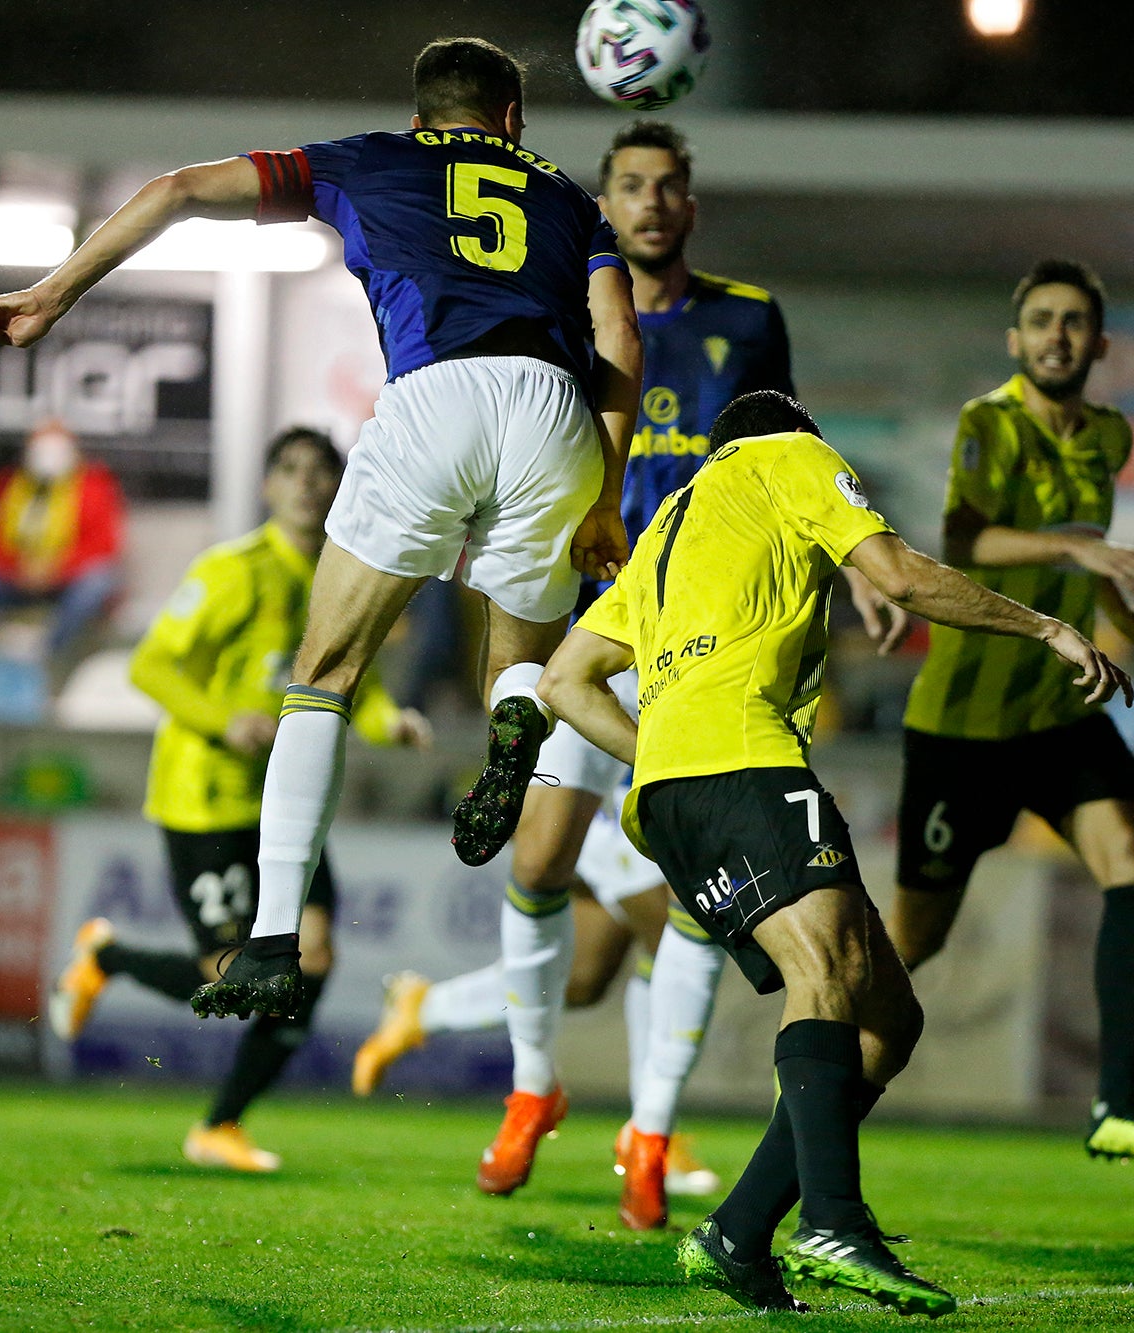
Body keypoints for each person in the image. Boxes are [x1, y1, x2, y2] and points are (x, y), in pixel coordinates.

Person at [0, 37, 642, 1022]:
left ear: (424, 117)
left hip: (434, 395)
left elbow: (177, 189)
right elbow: (621, 339)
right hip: (555, 410)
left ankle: (273, 936)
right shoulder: (570, 199)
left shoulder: (368, 158)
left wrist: (52, 292)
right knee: (520, 664)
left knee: (322, 677)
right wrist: (606, 493)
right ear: (511, 121)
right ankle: (510, 722)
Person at [536, 389, 1128, 1313]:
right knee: (831, 970)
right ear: (797, 433)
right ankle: (833, 1220)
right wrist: (1046, 626)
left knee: (888, 1017)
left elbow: (565, 679)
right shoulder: (792, 458)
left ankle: (737, 1233)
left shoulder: (668, 533)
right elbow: (900, 575)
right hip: (744, 760)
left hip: (669, 795)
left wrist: (659, 749)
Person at [350, 120, 796, 1228]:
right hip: (591, 626)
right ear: (604, 205)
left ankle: (648, 1131)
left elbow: (781, 458)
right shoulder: (558, 313)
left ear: (689, 205)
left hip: (701, 640)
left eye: (668, 186)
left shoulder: (747, 321)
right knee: (540, 859)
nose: (651, 202)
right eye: (631, 187)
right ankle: (533, 1087)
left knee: (686, 887)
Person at [45, 427, 431, 1172]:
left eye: (321, 470)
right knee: (235, 971)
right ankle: (107, 955)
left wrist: (393, 722)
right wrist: (226, 719)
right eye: (289, 468)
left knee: (309, 959)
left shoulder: (340, 574)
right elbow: (151, 666)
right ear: (266, 486)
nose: (307, 483)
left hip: (284, 808)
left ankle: (221, 1124)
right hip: (208, 798)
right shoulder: (233, 571)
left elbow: (359, 681)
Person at [885, 259, 1134, 1166]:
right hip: (962, 730)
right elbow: (963, 540)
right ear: (1015, 340)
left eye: (1074, 323)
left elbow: (1079, 557)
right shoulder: (991, 421)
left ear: (1099, 344)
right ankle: (823, 1053)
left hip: (1058, 713)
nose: (1058, 335)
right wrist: (1081, 554)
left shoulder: (1110, 434)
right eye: (1042, 320)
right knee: (914, 942)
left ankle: (1116, 1105)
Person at [0, 419, 126, 660]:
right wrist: (20, 568)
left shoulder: (95, 485)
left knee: (99, 582)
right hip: (15, 579)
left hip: (67, 582)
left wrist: (56, 568)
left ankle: (49, 649)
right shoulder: (9, 483)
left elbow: (105, 546)